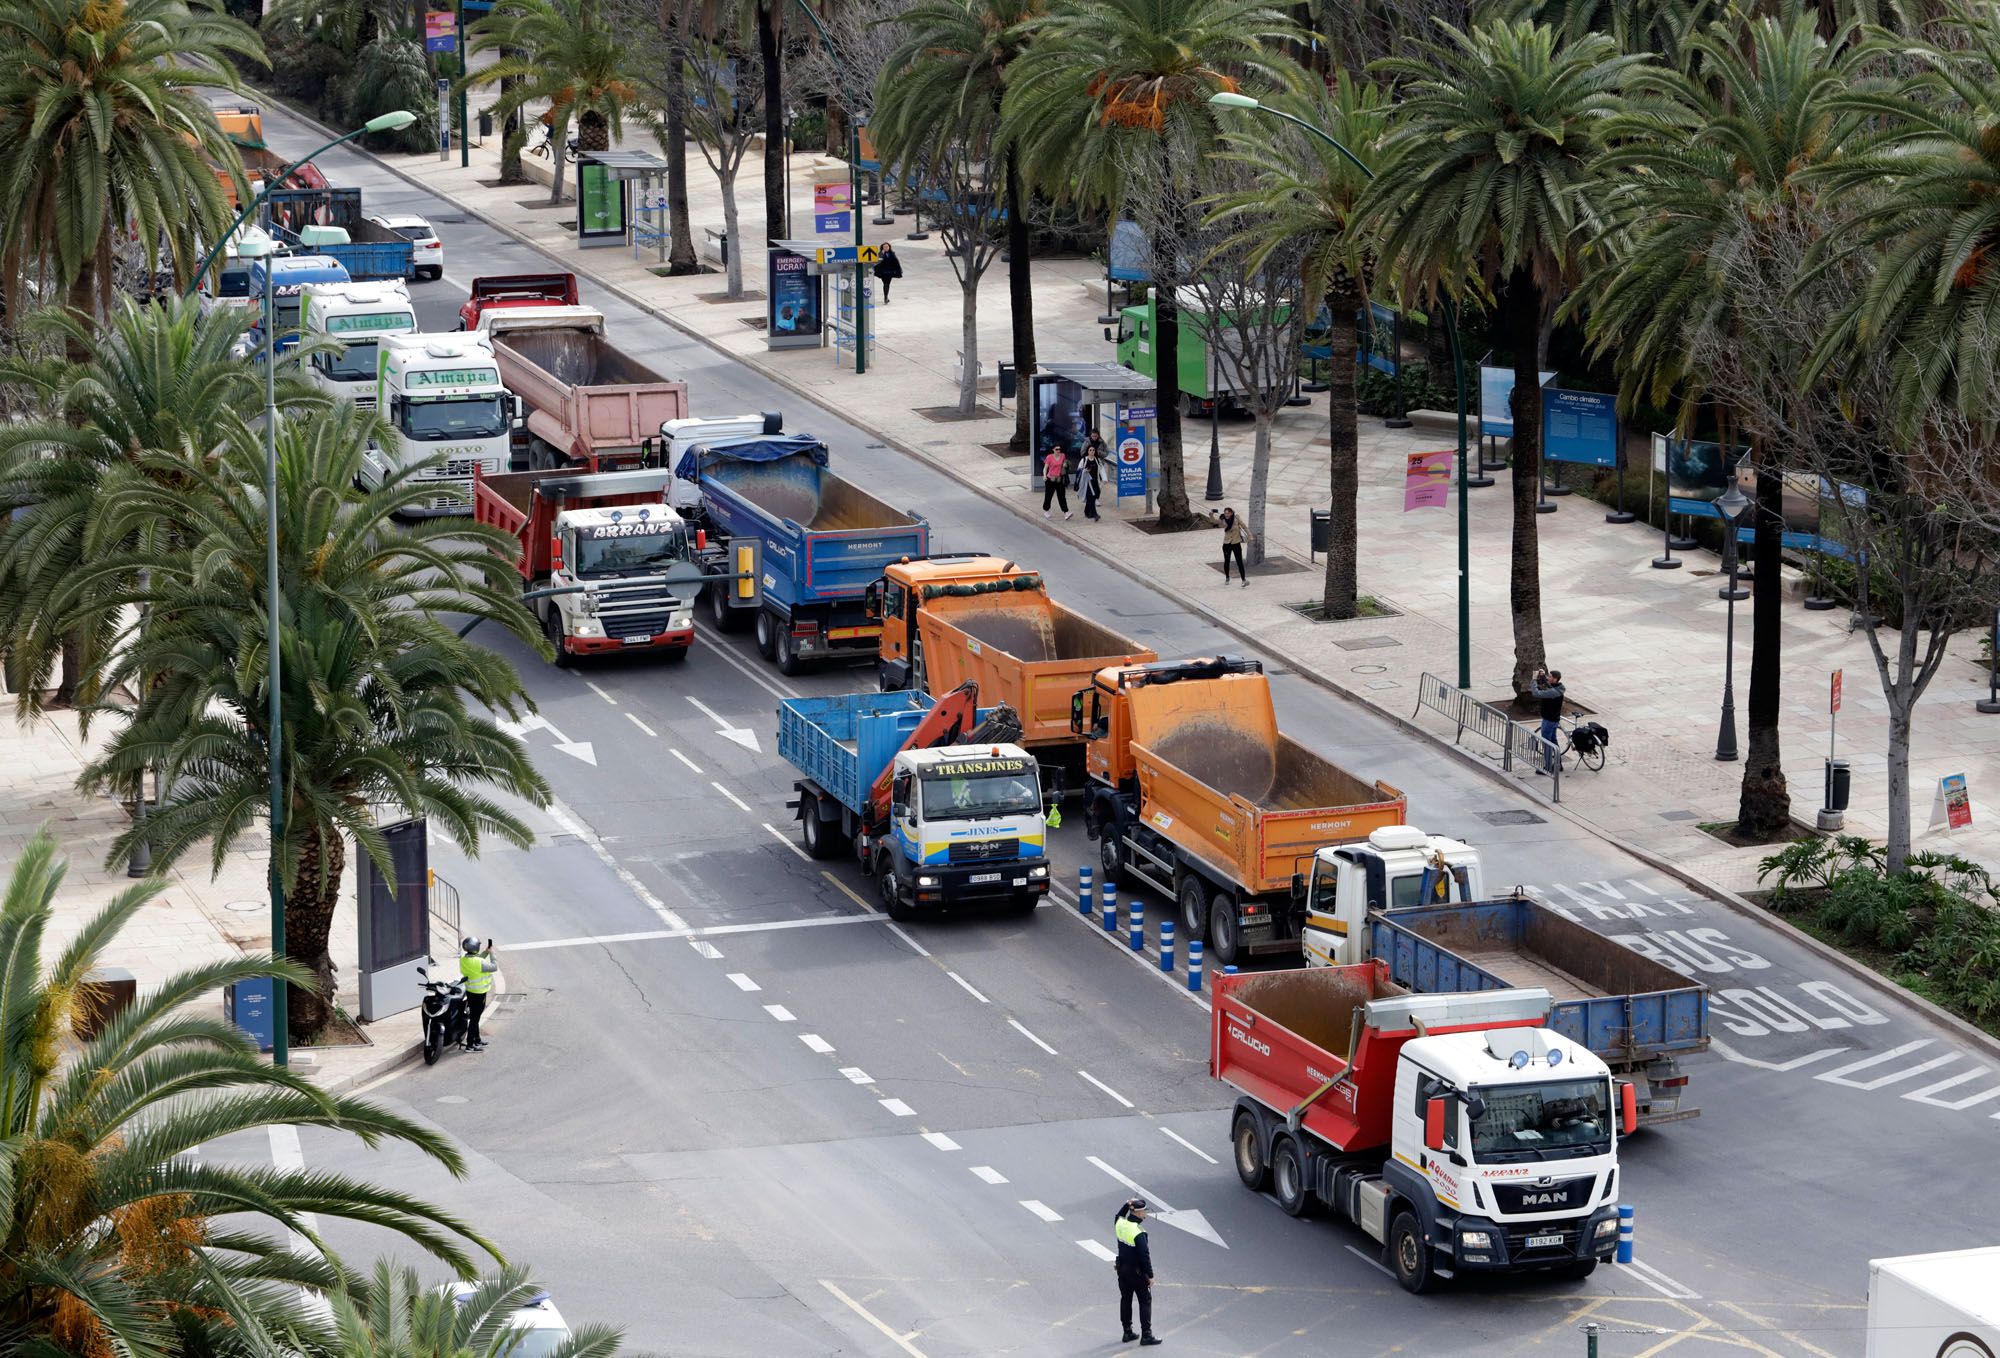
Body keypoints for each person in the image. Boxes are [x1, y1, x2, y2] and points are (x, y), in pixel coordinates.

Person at [1113, 1198, 1161, 1346]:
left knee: (1126, 1299)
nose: (1145, 1213)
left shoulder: (1120, 1224)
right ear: (1139, 1213)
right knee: (1145, 1301)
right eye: (1144, 1210)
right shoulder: (1139, 1232)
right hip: (1137, 1273)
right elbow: (1144, 1256)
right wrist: (1151, 1275)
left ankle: (1127, 1332)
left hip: (1122, 1270)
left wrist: (1126, 1205)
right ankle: (1146, 1335)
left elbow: (1118, 1216)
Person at [458, 936, 497, 1051]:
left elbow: (477, 960)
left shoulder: (464, 959)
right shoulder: (479, 962)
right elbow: (494, 967)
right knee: (475, 1019)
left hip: (471, 992)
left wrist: (485, 952)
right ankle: (470, 1045)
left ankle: (477, 1039)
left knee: (475, 1017)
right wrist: (492, 954)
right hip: (479, 994)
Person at [1530, 667, 1565, 774]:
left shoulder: (1553, 693)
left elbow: (1536, 693)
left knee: (1547, 744)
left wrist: (1534, 680)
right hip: (1554, 720)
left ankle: (1548, 767)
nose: (1548, 677)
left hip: (1548, 721)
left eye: (1550, 676)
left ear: (1555, 679)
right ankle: (1558, 764)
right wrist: (1543, 676)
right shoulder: (1558, 688)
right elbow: (1549, 685)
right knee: (1554, 742)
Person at [1219, 507, 1247, 586]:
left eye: (1227, 513)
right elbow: (1214, 521)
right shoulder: (1222, 519)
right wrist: (1211, 514)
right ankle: (1227, 577)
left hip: (1236, 543)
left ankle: (1243, 580)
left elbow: (1244, 526)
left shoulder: (1236, 518)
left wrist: (1250, 535)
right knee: (1227, 561)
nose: (1226, 514)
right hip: (1227, 544)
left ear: (1231, 513)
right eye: (1225, 513)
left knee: (1239, 562)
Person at [1043, 445, 1072, 518]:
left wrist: (1065, 465)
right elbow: (1045, 468)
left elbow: (1064, 465)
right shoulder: (1049, 457)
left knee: (1062, 496)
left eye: (1059, 449)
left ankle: (1066, 512)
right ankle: (1046, 510)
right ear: (1053, 449)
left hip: (1060, 479)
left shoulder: (1063, 456)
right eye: (1056, 449)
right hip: (1050, 479)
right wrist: (1044, 476)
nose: (1058, 450)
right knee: (1048, 496)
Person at [1080, 438, 1105, 521]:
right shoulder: (1084, 460)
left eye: (1093, 450)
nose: (1092, 451)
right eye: (1090, 450)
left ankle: (1087, 511)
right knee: (1091, 497)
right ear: (1088, 451)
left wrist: (1104, 479)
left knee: (1094, 496)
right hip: (1087, 482)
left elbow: (1101, 470)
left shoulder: (1097, 460)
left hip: (1095, 481)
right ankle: (1095, 514)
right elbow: (1079, 470)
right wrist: (1085, 471)